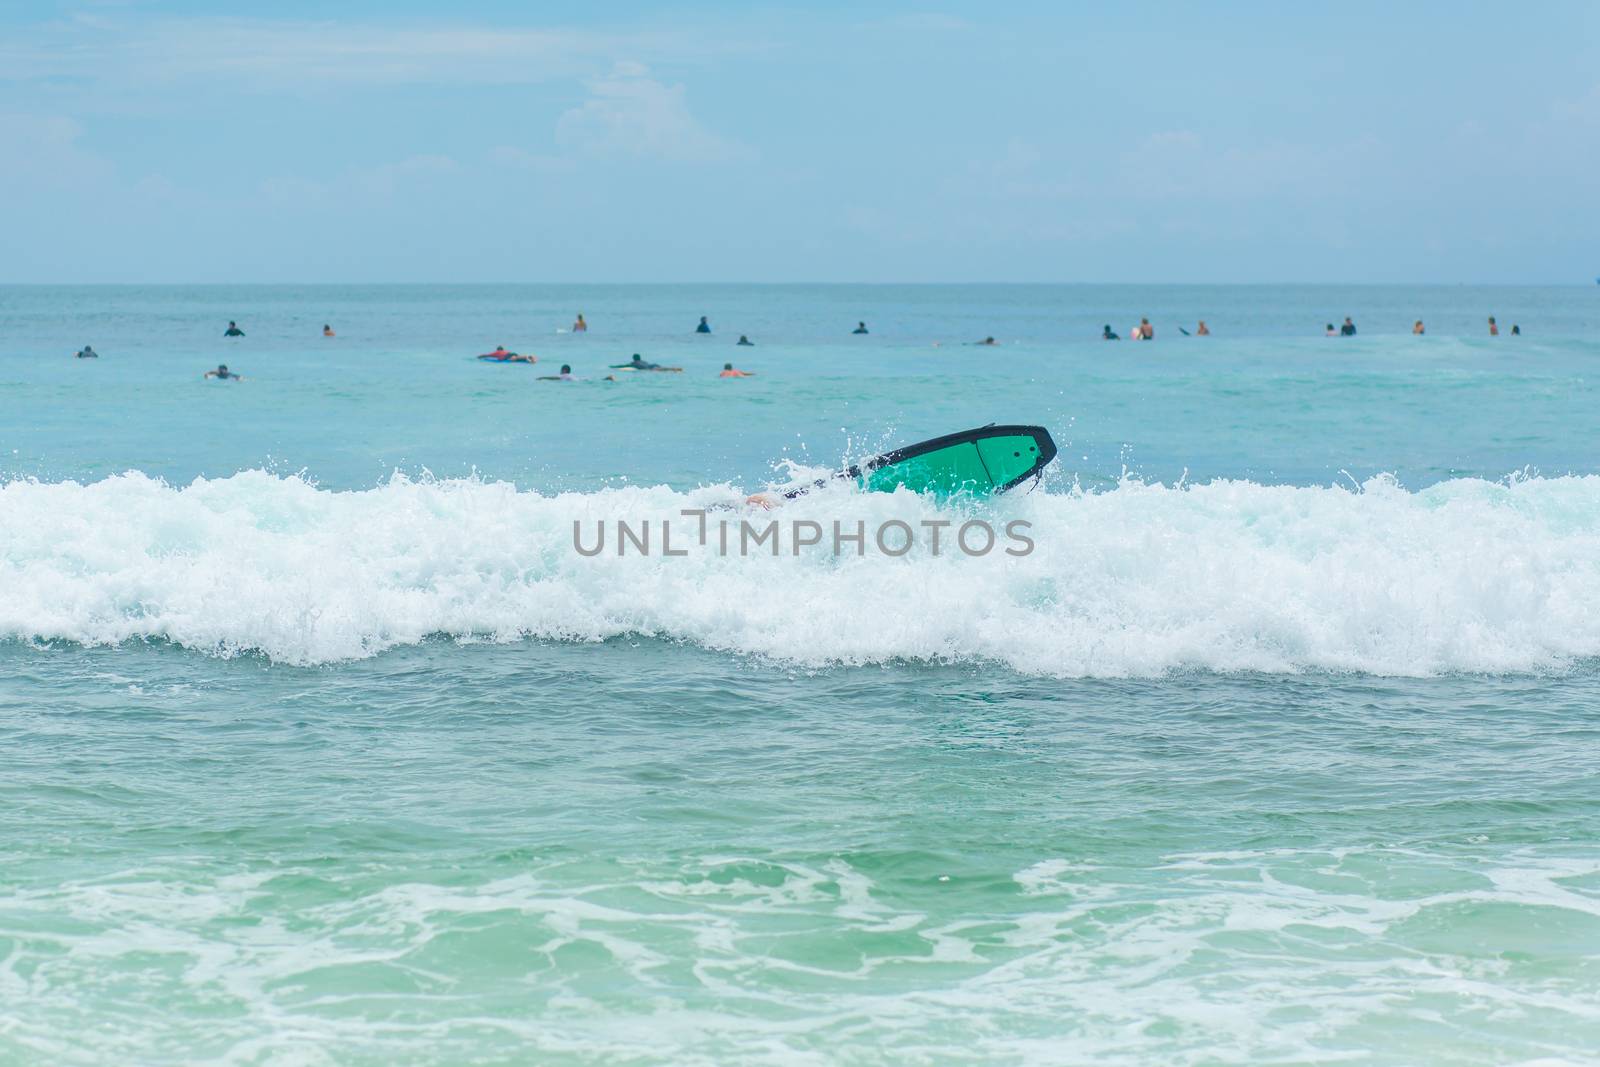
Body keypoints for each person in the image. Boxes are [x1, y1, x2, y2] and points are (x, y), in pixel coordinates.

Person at [610, 353, 682, 372]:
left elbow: (623, 366)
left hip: (648, 369)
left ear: (633, 359)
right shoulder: (643, 361)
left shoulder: (633, 363)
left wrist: (613, 367)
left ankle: (673, 369)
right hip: (652, 365)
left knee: (660, 370)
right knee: (663, 369)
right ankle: (674, 369)